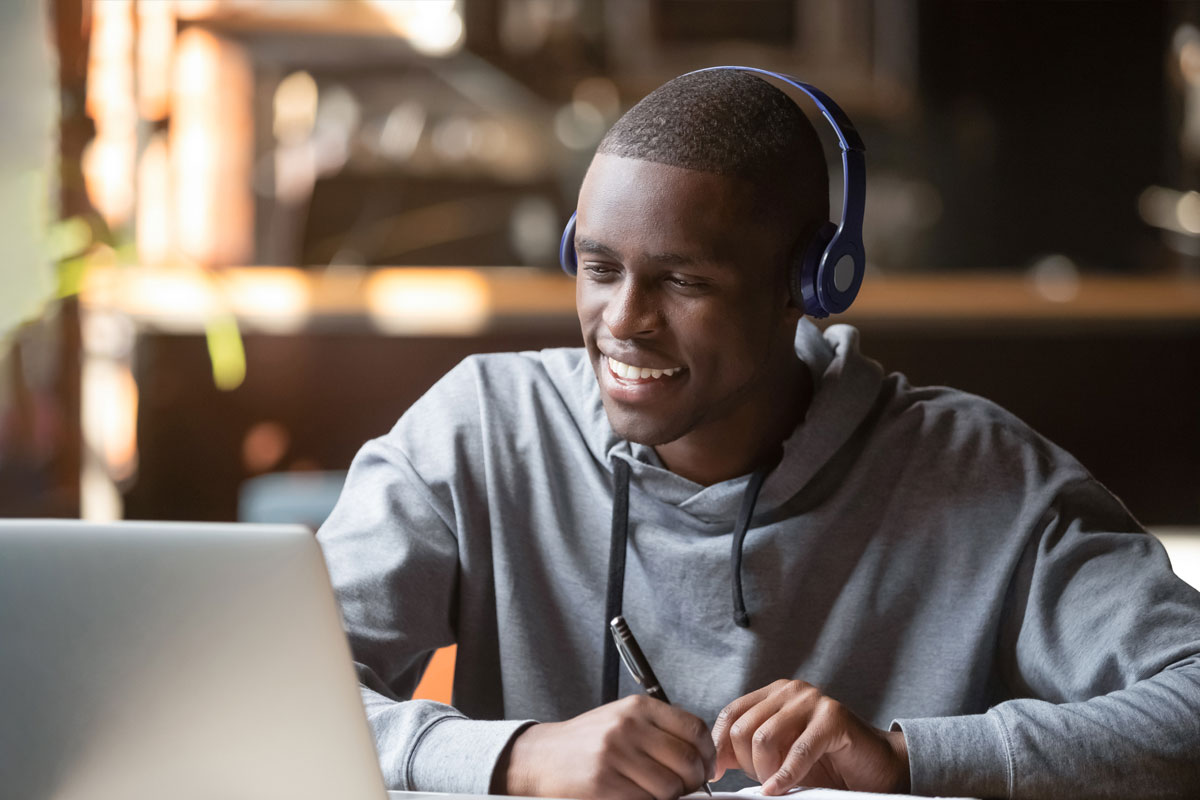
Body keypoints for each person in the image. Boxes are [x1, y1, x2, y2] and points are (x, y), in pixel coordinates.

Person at [317, 69, 1200, 799]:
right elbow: (265, 694)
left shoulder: (980, 475)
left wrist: (906, 758)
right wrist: (514, 757)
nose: (623, 320)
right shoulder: (480, 430)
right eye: (599, 267)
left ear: (807, 286)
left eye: (682, 281)